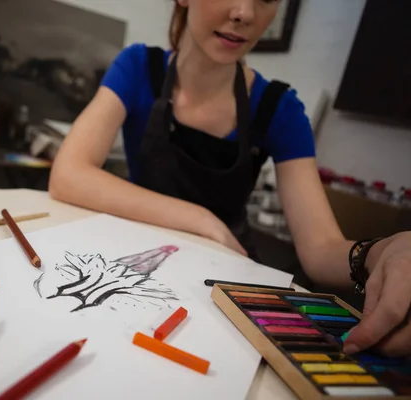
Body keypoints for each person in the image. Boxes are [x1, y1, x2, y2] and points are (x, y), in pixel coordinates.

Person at [48, 0, 411, 357]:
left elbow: (320, 250)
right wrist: (200, 218)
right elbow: (68, 173)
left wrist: (382, 251)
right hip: (134, 260)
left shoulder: (278, 108)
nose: (245, 13)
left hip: (220, 285)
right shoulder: (139, 67)